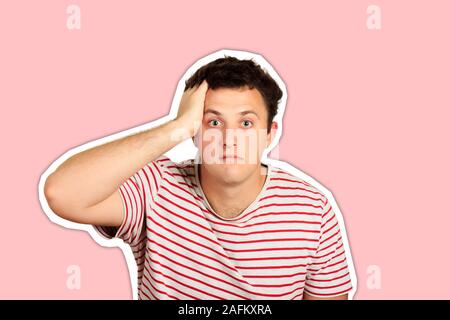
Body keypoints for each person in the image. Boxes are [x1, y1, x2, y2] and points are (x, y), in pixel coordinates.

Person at [44, 55, 354, 300]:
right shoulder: (156, 186)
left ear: (270, 134)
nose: (230, 138)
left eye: (246, 123)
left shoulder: (313, 209)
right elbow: (61, 193)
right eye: (213, 122)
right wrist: (175, 127)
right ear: (194, 131)